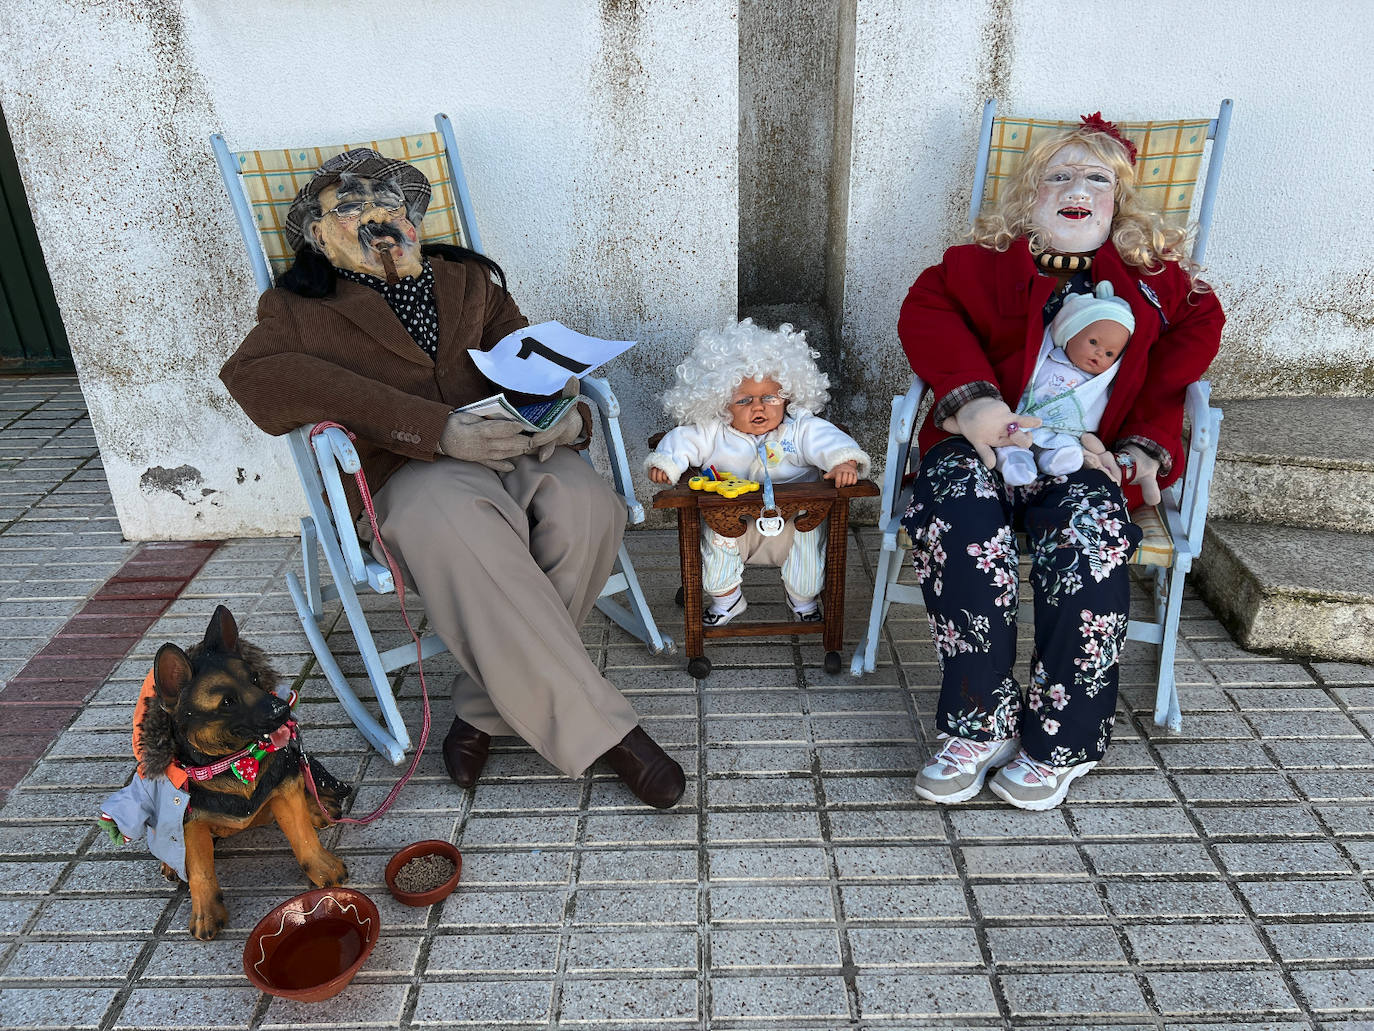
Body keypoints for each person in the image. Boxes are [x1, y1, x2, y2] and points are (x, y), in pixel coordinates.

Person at [220, 149, 685, 809]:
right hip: (406, 469)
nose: (375, 214)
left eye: (388, 201)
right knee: (459, 526)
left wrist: (564, 418)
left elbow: (528, 356)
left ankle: (482, 707)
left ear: (412, 219)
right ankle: (613, 735)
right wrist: (433, 428)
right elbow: (254, 380)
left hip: (510, 445)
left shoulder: (468, 281)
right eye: (348, 206)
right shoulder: (297, 308)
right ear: (317, 236)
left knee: (588, 505)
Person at [898, 113, 1224, 810]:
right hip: (984, 443)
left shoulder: (1158, 284)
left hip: (1084, 454)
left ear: (1120, 201)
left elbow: (1189, 347)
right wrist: (974, 401)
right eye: (1060, 175)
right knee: (953, 508)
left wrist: (1144, 440)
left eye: (1098, 178)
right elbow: (926, 310)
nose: (1078, 189)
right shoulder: (979, 265)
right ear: (1031, 194)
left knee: (1091, 533)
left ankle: (1062, 740)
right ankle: (979, 724)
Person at [645, 319, 870, 624]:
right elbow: (682, 440)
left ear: (787, 396)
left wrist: (843, 462)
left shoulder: (800, 428)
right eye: (744, 400)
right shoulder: (713, 431)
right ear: (721, 403)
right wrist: (667, 463)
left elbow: (829, 440)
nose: (759, 407)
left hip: (794, 520)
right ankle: (727, 599)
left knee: (809, 546)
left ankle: (803, 599)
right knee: (715, 543)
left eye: (770, 398)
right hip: (731, 521)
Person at [995, 281, 1134, 485]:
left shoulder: (1097, 385)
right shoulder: (1047, 358)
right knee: (1010, 439)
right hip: (1026, 420)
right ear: (1070, 333)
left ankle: (1056, 460)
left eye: (1109, 353)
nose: (1099, 353)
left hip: (1061, 431)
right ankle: (1016, 462)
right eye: (1093, 342)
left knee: (1066, 447)